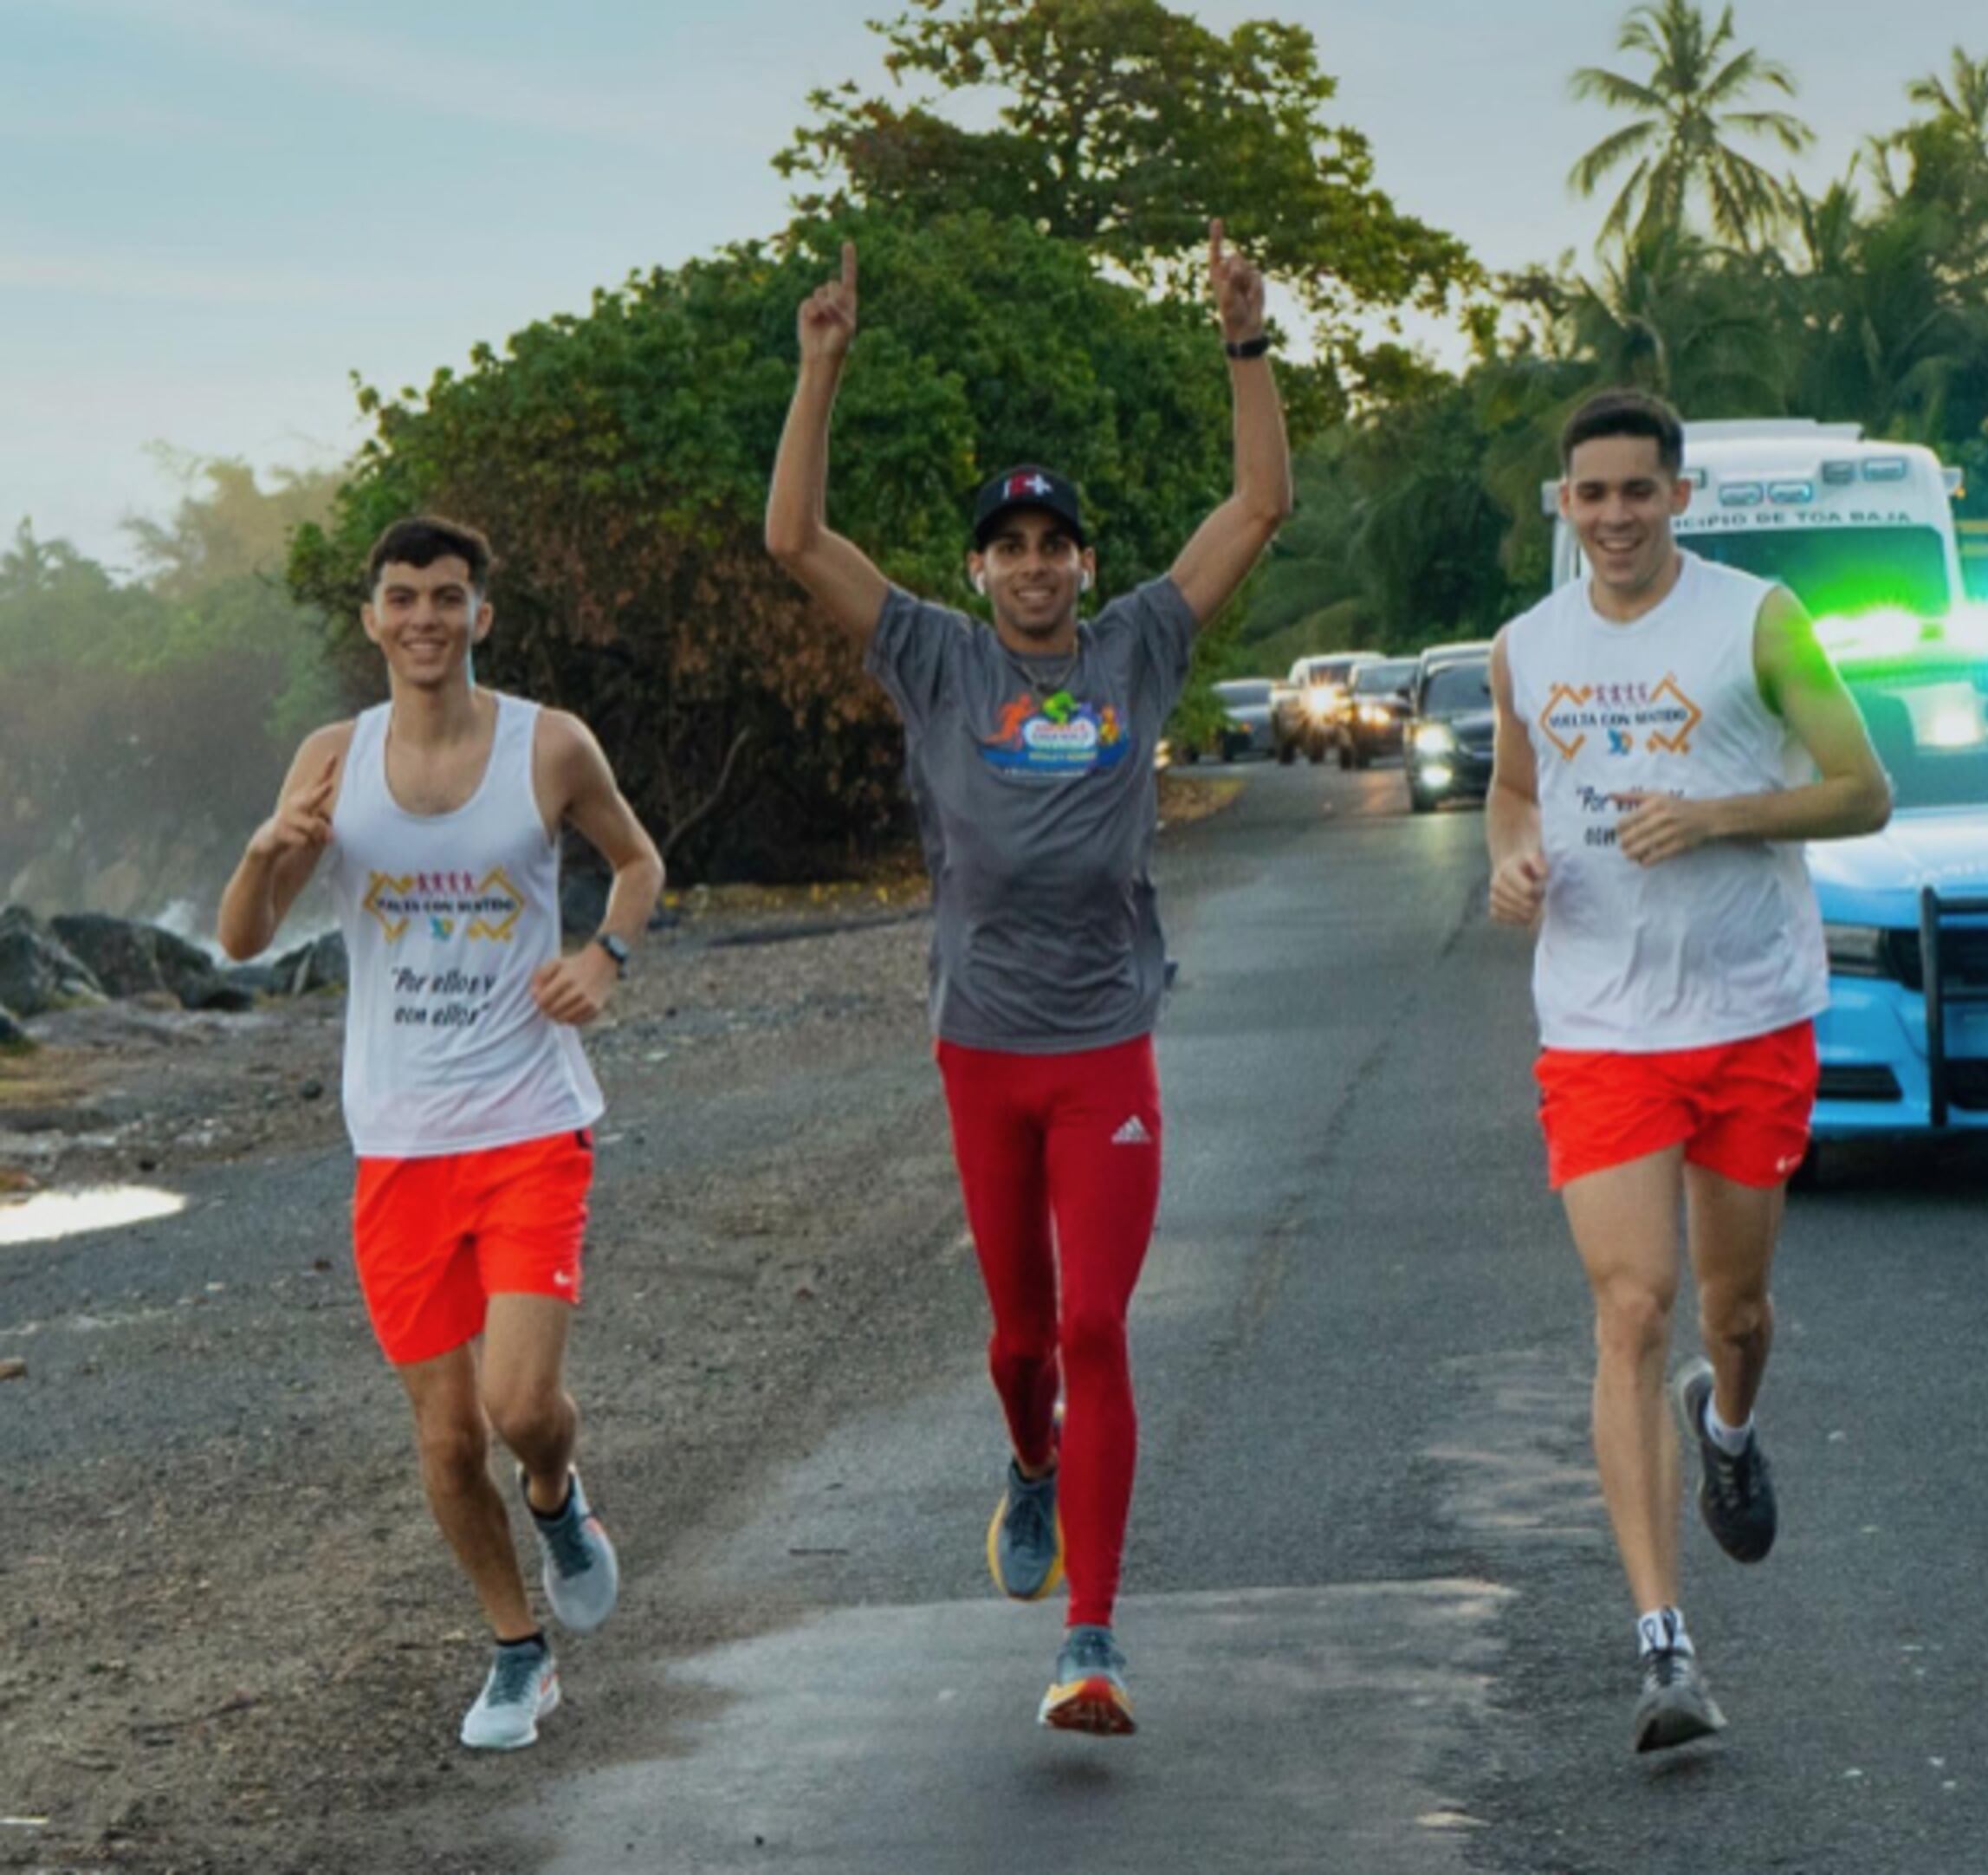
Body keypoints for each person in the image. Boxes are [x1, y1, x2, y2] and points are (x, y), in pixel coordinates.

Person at [764, 224, 1292, 1733]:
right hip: (981, 1051)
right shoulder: (932, 657)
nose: (1037, 566)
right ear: (981, 567)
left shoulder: (1137, 649)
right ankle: (1031, 1462)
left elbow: (1260, 503)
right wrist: (820, 371)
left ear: (1086, 564)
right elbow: (797, 543)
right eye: (1011, 546)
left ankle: (1092, 1639)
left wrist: (1243, 344)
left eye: (1058, 544)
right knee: (1017, 1339)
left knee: (1099, 1329)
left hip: (1104, 1046)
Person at [217, 516, 665, 1750]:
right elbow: (243, 939)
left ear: (482, 616)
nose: (425, 617)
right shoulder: (329, 761)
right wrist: (267, 854)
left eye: (448, 597)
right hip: (399, 1143)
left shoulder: (549, 745)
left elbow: (637, 862)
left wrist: (605, 958)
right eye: (403, 597)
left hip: (529, 1117)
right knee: (447, 1438)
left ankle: (562, 1499)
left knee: (522, 1408)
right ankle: (520, 1651)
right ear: (371, 620)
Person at [1486, 389, 1891, 1753]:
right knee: (1630, 1307)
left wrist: (1716, 815)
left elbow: (1864, 791)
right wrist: (1509, 857)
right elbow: (1514, 787)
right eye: (1589, 495)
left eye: (1636, 492)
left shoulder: (1758, 618)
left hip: (1750, 1011)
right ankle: (1665, 1649)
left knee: (1736, 1314)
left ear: (1680, 494)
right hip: (1599, 1021)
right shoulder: (1524, 646)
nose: (1613, 517)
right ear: (1563, 504)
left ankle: (1727, 1426)